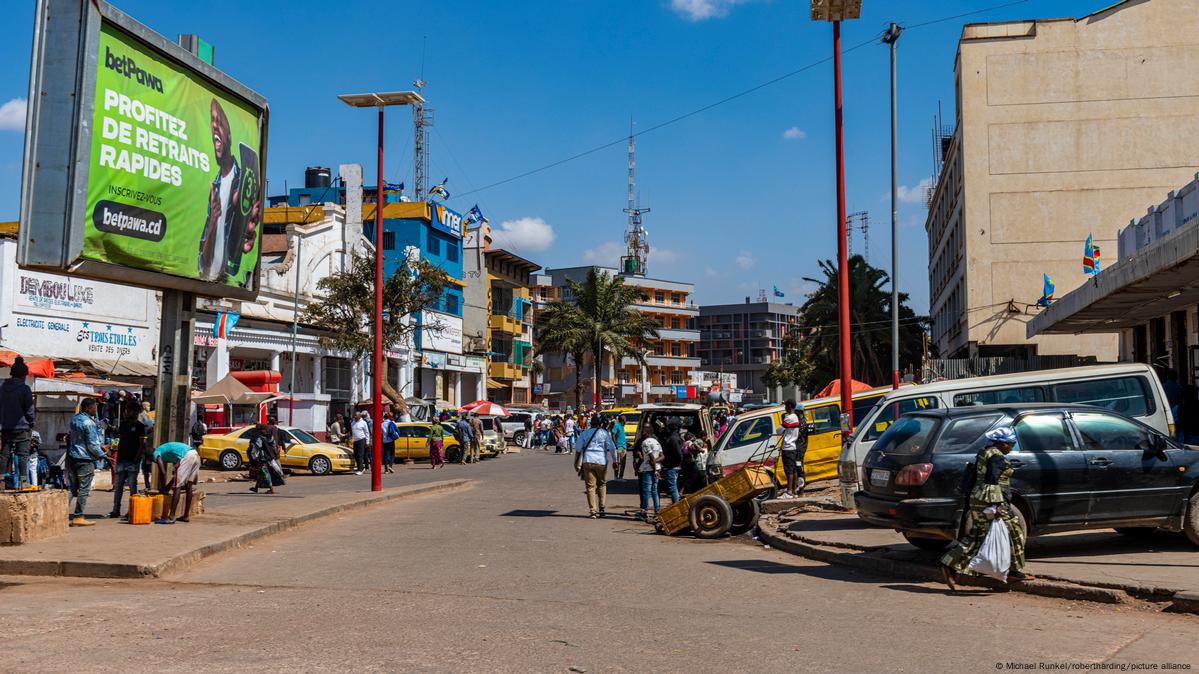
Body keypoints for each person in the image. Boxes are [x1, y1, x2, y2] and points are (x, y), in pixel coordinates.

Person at [940, 427, 1036, 590]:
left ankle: (950, 564)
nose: (1012, 447)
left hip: (978, 498)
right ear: (1002, 443)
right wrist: (997, 505)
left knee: (979, 534)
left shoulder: (984, 452)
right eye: (1010, 444)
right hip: (991, 500)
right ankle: (1013, 571)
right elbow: (992, 480)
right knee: (1014, 532)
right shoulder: (997, 457)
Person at [67, 397, 106, 526]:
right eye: (94, 407)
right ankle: (78, 516)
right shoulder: (89, 423)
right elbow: (92, 445)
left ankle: (61, 512)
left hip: (72, 457)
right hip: (84, 459)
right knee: (84, 489)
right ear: (88, 408)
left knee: (72, 488)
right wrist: (103, 455)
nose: (96, 409)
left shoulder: (74, 419)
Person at [0, 356, 35, 491]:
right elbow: (30, 410)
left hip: (6, 427)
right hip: (23, 428)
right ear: (23, 376)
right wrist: (31, 422)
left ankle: (1, 482)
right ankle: (23, 482)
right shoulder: (25, 389)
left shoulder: (2, 388)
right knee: (22, 455)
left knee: (4, 454)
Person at [573, 414, 618, 518]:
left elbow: (578, 448)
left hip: (588, 460)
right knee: (602, 484)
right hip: (601, 461)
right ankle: (602, 508)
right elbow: (612, 448)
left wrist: (576, 462)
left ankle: (593, 511)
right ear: (599, 424)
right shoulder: (604, 433)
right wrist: (615, 461)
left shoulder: (585, 433)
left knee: (590, 487)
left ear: (590, 424)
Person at [109, 407, 146, 519]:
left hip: (133, 460)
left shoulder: (140, 426)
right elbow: (120, 441)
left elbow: (142, 445)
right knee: (118, 486)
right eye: (129, 410)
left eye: (132, 410)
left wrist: (136, 458)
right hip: (121, 459)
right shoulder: (123, 425)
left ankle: (132, 510)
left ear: (137, 412)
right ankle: (116, 510)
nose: (130, 412)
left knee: (132, 486)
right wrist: (117, 456)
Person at [154, 440, 201, 521]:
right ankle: (186, 516)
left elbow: (162, 472)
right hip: (195, 454)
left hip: (187, 456)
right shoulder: (170, 453)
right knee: (189, 486)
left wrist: (163, 487)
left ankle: (171, 517)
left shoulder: (156, 452)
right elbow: (177, 474)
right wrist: (167, 487)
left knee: (177, 487)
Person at [775, 399, 807, 499]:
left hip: (793, 449)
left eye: (785, 406)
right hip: (794, 448)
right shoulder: (796, 419)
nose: (784, 408)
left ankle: (791, 492)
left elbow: (779, 431)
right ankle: (793, 491)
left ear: (789, 406)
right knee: (794, 470)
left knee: (792, 470)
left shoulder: (790, 418)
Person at [245, 421, 280, 494]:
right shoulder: (270, 437)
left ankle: (271, 489)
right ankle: (256, 488)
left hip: (263, 458)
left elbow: (257, 447)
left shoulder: (259, 438)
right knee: (260, 473)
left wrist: (254, 455)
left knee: (265, 473)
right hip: (270, 457)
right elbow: (274, 446)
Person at [636, 426, 663, 522]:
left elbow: (651, 458)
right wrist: (656, 465)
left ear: (647, 432)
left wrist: (654, 468)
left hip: (648, 469)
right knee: (655, 490)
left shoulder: (645, 443)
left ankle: (645, 512)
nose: (642, 433)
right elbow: (662, 456)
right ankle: (657, 511)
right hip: (657, 468)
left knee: (646, 491)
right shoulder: (657, 442)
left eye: (643, 431)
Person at [659, 421, 685, 504]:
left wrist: (677, 463)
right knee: (673, 487)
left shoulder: (673, 439)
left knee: (672, 488)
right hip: (672, 466)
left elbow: (679, 454)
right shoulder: (674, 437)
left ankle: (676, 506)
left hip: (672, 467)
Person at [138, 401, 155, 489]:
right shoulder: (142, 415)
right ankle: (148, 485)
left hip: (148, 446)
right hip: (145, 446)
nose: (149, 407)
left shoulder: (148, 415)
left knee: (148, 467)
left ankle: (150, 484)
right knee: (146, 468)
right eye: (148, 406)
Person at [611, 415, 629, 481]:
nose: (626, 420)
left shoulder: (622, 426)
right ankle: (616, 477)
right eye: (625, 419)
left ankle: (620, 477)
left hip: (624, 447)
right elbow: (612, 434)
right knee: (618, 462)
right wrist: (616, 445)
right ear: (623, 419)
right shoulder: (617, 425)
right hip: (619, 447)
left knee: (623, 462)